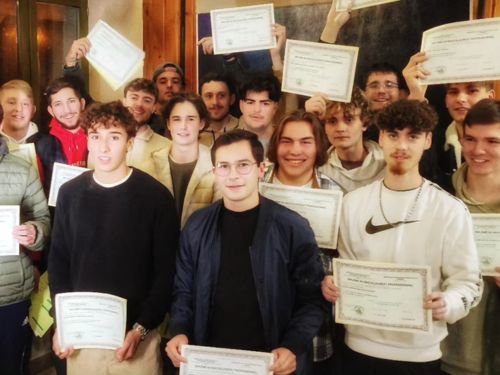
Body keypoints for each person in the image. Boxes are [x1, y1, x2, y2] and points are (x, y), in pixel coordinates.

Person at [322, 100, 482, 374]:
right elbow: (346, 267)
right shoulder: (352, 203)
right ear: (381, 137)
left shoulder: (450, 209)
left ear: (428, 140)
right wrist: (333, 284)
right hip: (357, 349)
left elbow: (468, 283)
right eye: (394, 135)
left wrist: (449, 302)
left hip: (420, 355)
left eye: (413, 136)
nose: (402, 146)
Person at [165, 129, 326, 375]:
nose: (233, 176)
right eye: (224, 166)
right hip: (210, 361)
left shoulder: (292, 227)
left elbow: (313, 300)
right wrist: (179, 331)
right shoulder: (196, 225)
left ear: (261, 169)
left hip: (270, 362)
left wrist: (292, 346)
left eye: (243, 165)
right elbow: (183, 291)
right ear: (214, 172)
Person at [48, 101, 179, 375]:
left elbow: (166, 273)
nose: (103, 148)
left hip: (136, 337)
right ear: (87, 140)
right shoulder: (70, 193)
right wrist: (63, 323)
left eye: (114, 137)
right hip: (83, 337)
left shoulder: (156, 198)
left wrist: (142, 328)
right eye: (96, 137)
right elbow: (59, 263)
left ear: (130, 143)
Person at [264, 110, 340, 373]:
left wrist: (334, 278)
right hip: (259, 315)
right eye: (286, 141)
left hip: (311, 320)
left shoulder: (336, 194)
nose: (295, 150)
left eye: (306, 141)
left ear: (319, 145)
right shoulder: (254, 184)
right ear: (275, 144)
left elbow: (345, 257)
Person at [441, 99, 500, 375]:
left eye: (493, 141)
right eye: (470, 139)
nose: (478, 150)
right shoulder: (439, 196)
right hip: (443, 353)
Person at [0, 105, 51, 375]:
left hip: (10, 294)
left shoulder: (22, 170)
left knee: (11, 366)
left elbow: (42, 218)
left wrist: (34, 232)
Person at [403, 51, 496, 184]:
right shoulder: (432, 142)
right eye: (453, 92)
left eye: (472, 90)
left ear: (490, 97)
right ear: (446, 100)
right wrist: (416, 95)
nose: (460, 98)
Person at [152, 93, 217, 228]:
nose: (183, 126)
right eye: (177, 119)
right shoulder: (151, 163)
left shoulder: (215, 163)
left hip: (200, 246)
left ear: (202, 123)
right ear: (168, 124)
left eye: (191, 119)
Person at [306, 86, 386, 193]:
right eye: (332, 121)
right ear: (324, 126)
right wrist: (308, 118)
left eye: (349, 119)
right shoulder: (318, 169)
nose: (340, 129)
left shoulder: (388, 163)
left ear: (365, 122)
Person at [35, 77, 88, 194]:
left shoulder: (98, 135)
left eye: (71, 101)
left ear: (82, 104)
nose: (67, 110)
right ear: (51, 111)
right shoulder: (40, 144)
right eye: (58, 104)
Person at [122, 78, 171, 176]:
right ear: (124, 101)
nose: (139, 104)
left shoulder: (166, 146)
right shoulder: (107, 140)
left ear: (154, 107)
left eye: (147, 100)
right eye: (134, 97)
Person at [238, 73, 281, 155]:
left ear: (275, 108)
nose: (257, 110)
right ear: (241, 106)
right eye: (250, 102)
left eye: (265, 103)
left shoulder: (286, 143)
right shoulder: (227, 144)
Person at [198, 72, 239, 147]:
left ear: (232, 99)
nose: (215, 102)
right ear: (200, 100)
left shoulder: (243, 128)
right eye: (209, 96)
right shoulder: (192, 133)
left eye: (221, 96)